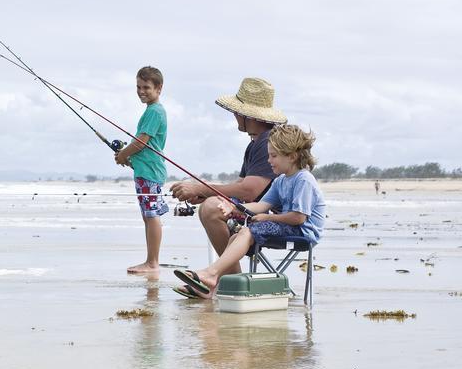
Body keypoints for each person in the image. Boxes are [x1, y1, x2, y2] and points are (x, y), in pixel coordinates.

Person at [173, 124, 325, 299]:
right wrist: (234, 208)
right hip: (287, 226)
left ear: (292, 156)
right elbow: (261, 205)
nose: (269, 160)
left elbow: (299, 218)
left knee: (247, 231)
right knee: (236, 236)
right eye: (269, 155)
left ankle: (211, 274)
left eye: (273, 156)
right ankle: (220, 282)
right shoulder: (280, 181)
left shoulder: (303, 180)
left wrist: (268, 218)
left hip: (303, 233)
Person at [170, 77, 286, 276]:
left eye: (236, 111)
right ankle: (225, 278)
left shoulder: (267, 141)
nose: (234, 115)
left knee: (211, 209)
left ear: (247, 115)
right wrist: (205, 193)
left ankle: (227, 279)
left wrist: (201, 188)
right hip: (258, 210)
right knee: (211, 203)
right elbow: (240, 184)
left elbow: (249, 191)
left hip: (275, 217)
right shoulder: (256, 143)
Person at [115, 66, 168, 274]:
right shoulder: (151, 111)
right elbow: (142, 146)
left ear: (159, 88)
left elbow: (141, 142)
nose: (141, 91)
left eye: (146, 87)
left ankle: (152, 262)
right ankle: (150, 260)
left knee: (151, 214)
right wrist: (127, 158)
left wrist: (124, 154)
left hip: (150, 172)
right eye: (138, 86)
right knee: (148, 215)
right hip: (144, 169)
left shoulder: (155, 111)